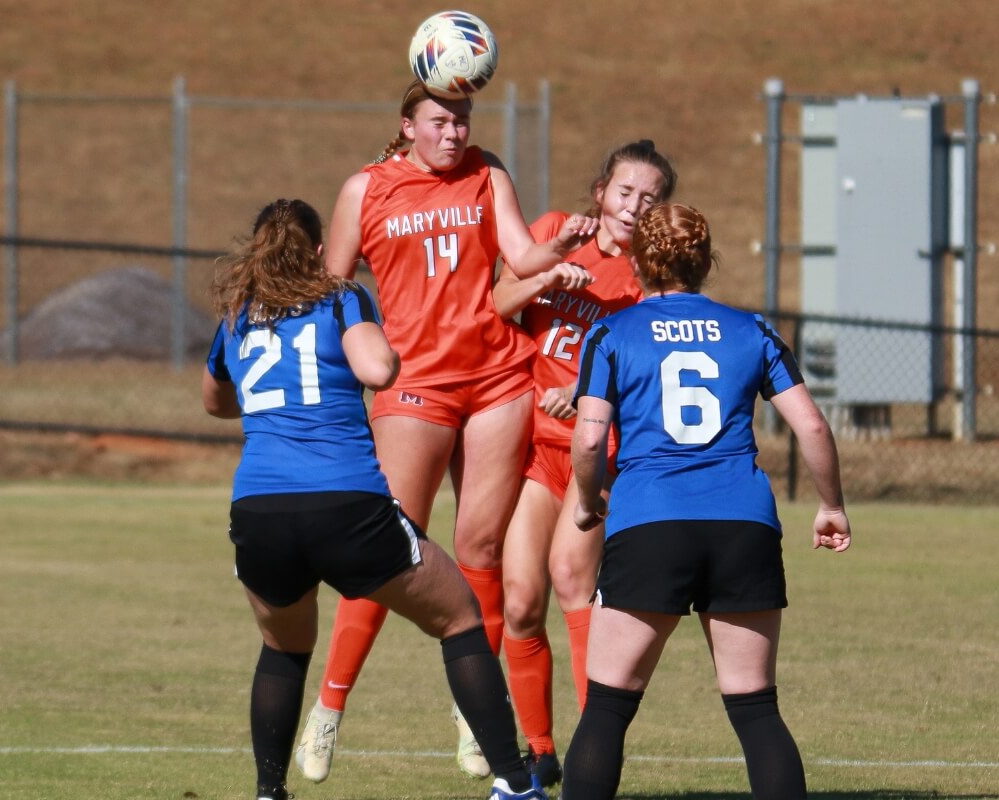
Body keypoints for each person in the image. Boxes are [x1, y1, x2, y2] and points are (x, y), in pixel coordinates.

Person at [295, 79, 599, 784]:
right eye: (439, 120)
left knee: (479, 549)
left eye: (461, 119)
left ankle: (474, 713)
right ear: (407, 125)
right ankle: (329, 707)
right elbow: (334, 288)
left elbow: (521, 261)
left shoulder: (489, 172)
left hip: (496, 377)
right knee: (390, 548)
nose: (454, 132)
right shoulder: (365, 189)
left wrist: (561, 243)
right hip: (412, 385)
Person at [202, 198, 549, 800]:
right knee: (460, 617)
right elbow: (378, 368)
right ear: (319, 252)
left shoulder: (237, 314)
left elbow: (215, 401)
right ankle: (515, 784)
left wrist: (273, 403)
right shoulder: (342, 297)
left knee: (283, 649)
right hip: (344, 503)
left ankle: (267, 792)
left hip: (259, 511)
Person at [563, 202, 852, 800]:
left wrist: (587, 501)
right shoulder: (752, 329)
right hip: (741, 523)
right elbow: (814, 428)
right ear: (705, 261)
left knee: (609, 706)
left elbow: (589, 436)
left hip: (650, 520)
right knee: (755, 708)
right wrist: (832, 505)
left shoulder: (612, 332)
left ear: (640, 264)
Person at [491, 139, 677, 787]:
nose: (634, 206)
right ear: (601, 192)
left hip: (597, 452)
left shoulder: (653, 277)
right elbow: (498, 303)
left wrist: (595, 393)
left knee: (572, 579)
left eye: (650, 198)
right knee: (519, 601)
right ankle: (538, 753)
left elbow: (655, 375)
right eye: (625, 192)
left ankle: (593, 751)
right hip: (536, 445)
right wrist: (550, 271)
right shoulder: (552, 233)